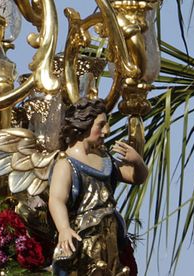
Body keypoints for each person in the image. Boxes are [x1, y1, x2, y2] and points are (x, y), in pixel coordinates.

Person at [48, 100, 146, 276]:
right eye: (101, 125)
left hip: (110, 234)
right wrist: (63, 228)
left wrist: (137, 161)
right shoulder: (66, 163)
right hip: (85, 236)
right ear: (83, 124)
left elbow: (136, 177)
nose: (106, 131)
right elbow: (56, 199)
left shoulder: (104, 159)